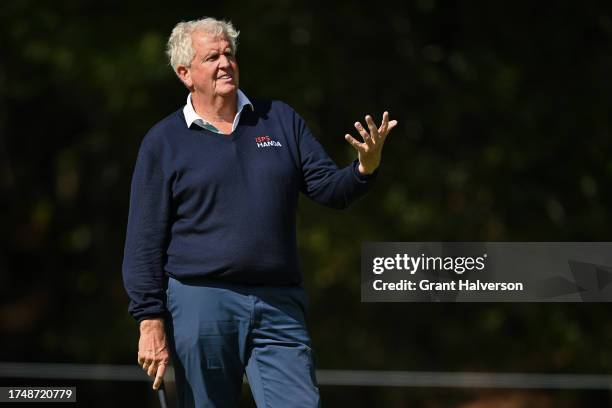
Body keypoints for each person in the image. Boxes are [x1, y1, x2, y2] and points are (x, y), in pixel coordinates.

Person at [122, 17, 397, 407]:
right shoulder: (163, 141)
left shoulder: (279, 119)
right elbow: (144, 240)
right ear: (185, 73)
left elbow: (330, 190)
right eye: (212, 57)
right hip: (201, 302)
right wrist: (149, 320)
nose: (224, 63)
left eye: (229, 54)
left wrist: (364, 167)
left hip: (278, 302)